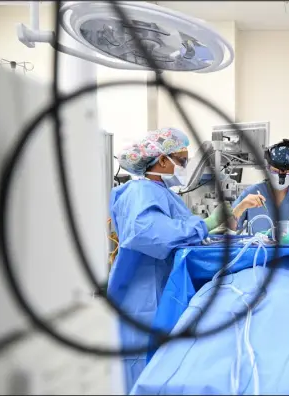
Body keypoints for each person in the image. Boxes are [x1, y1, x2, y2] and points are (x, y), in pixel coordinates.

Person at [108, 127, 238, 392]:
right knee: (140, 369)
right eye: (181, 159)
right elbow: (149, 233)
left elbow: (180, 233)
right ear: (162, 160)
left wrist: (207, 230)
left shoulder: (161, 192)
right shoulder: (140, 191)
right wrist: (207, 224)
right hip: (141, 296)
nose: (184, 165)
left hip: (159, 288)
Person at [232, 139, 289, 235]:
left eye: (288, 172)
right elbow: (228, 228)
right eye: (276, 171)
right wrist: (240, 207)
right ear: (268, 168)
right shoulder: (251, 193)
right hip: (259, 249)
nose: (281, 176)